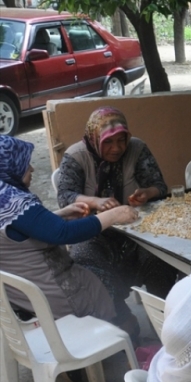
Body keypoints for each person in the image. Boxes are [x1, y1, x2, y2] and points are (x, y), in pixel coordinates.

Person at [55, 107, 176, 332]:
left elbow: (159, 185)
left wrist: (146, 193)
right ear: (94, 138)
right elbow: (65, 196)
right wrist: (94, 202)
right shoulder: (76, 156)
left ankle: (167, 322)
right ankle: (120, 317)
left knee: (159, 259)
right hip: (94, 232)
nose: (117, 148)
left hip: (138, 229)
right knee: (85, 261)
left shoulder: (137, 148)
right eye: (109, 142)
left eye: (122, 140)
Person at [0, 135, 138, 331]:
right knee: (102, 278)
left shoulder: (3, 198)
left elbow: (19, 231)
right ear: (8, 167)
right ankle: (126, 336)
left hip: (22, 297)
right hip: (50, 296)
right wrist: (114, 215)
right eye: (25, 164)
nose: (32, 168)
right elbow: (64, 233)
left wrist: (60, 214)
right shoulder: (14, 203)